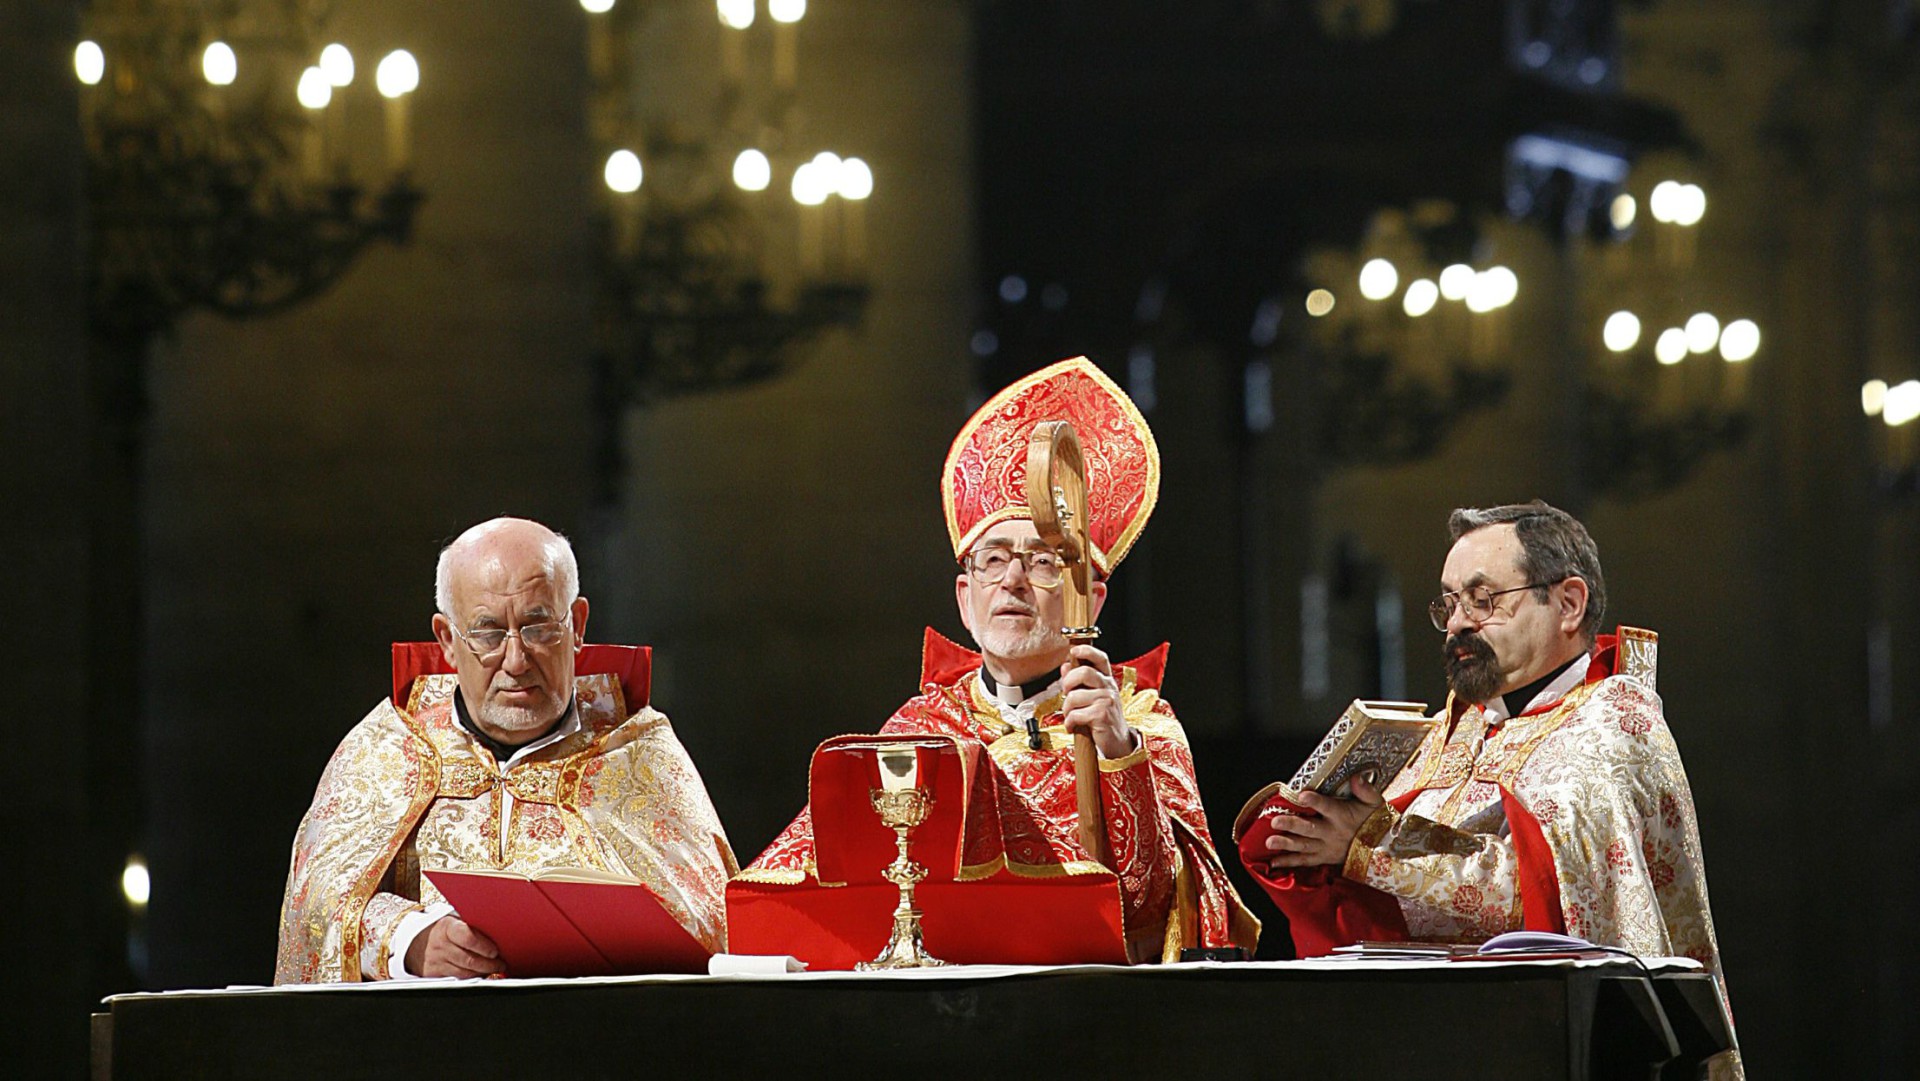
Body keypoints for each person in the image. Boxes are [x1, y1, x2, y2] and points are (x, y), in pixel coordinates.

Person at [739, 358, 1258, 962]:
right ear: (965, 600)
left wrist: (1119, 754)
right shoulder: (923, 729)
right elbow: (811, 881)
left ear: (1088, 597)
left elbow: (1156, 909)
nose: (1011, 580)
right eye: (990, 561)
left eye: (1041, 561)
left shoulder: (1141, 723)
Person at [1242, 501, 1730, 986]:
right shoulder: (1459, 727)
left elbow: (1548, 896)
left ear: (1568, 604)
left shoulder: (1609, 729)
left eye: (1483, 599)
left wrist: (1374, 844)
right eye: (1449, 604)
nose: (1457, 623)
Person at [275, 517, 736, 982]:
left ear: (576, 626)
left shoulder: (639, 752)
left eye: (538, 628)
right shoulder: (386, 748)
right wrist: (407, 940)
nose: (516, 662)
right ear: (448, 641)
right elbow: (314, 900)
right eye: (488, 633)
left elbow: (708, 923)